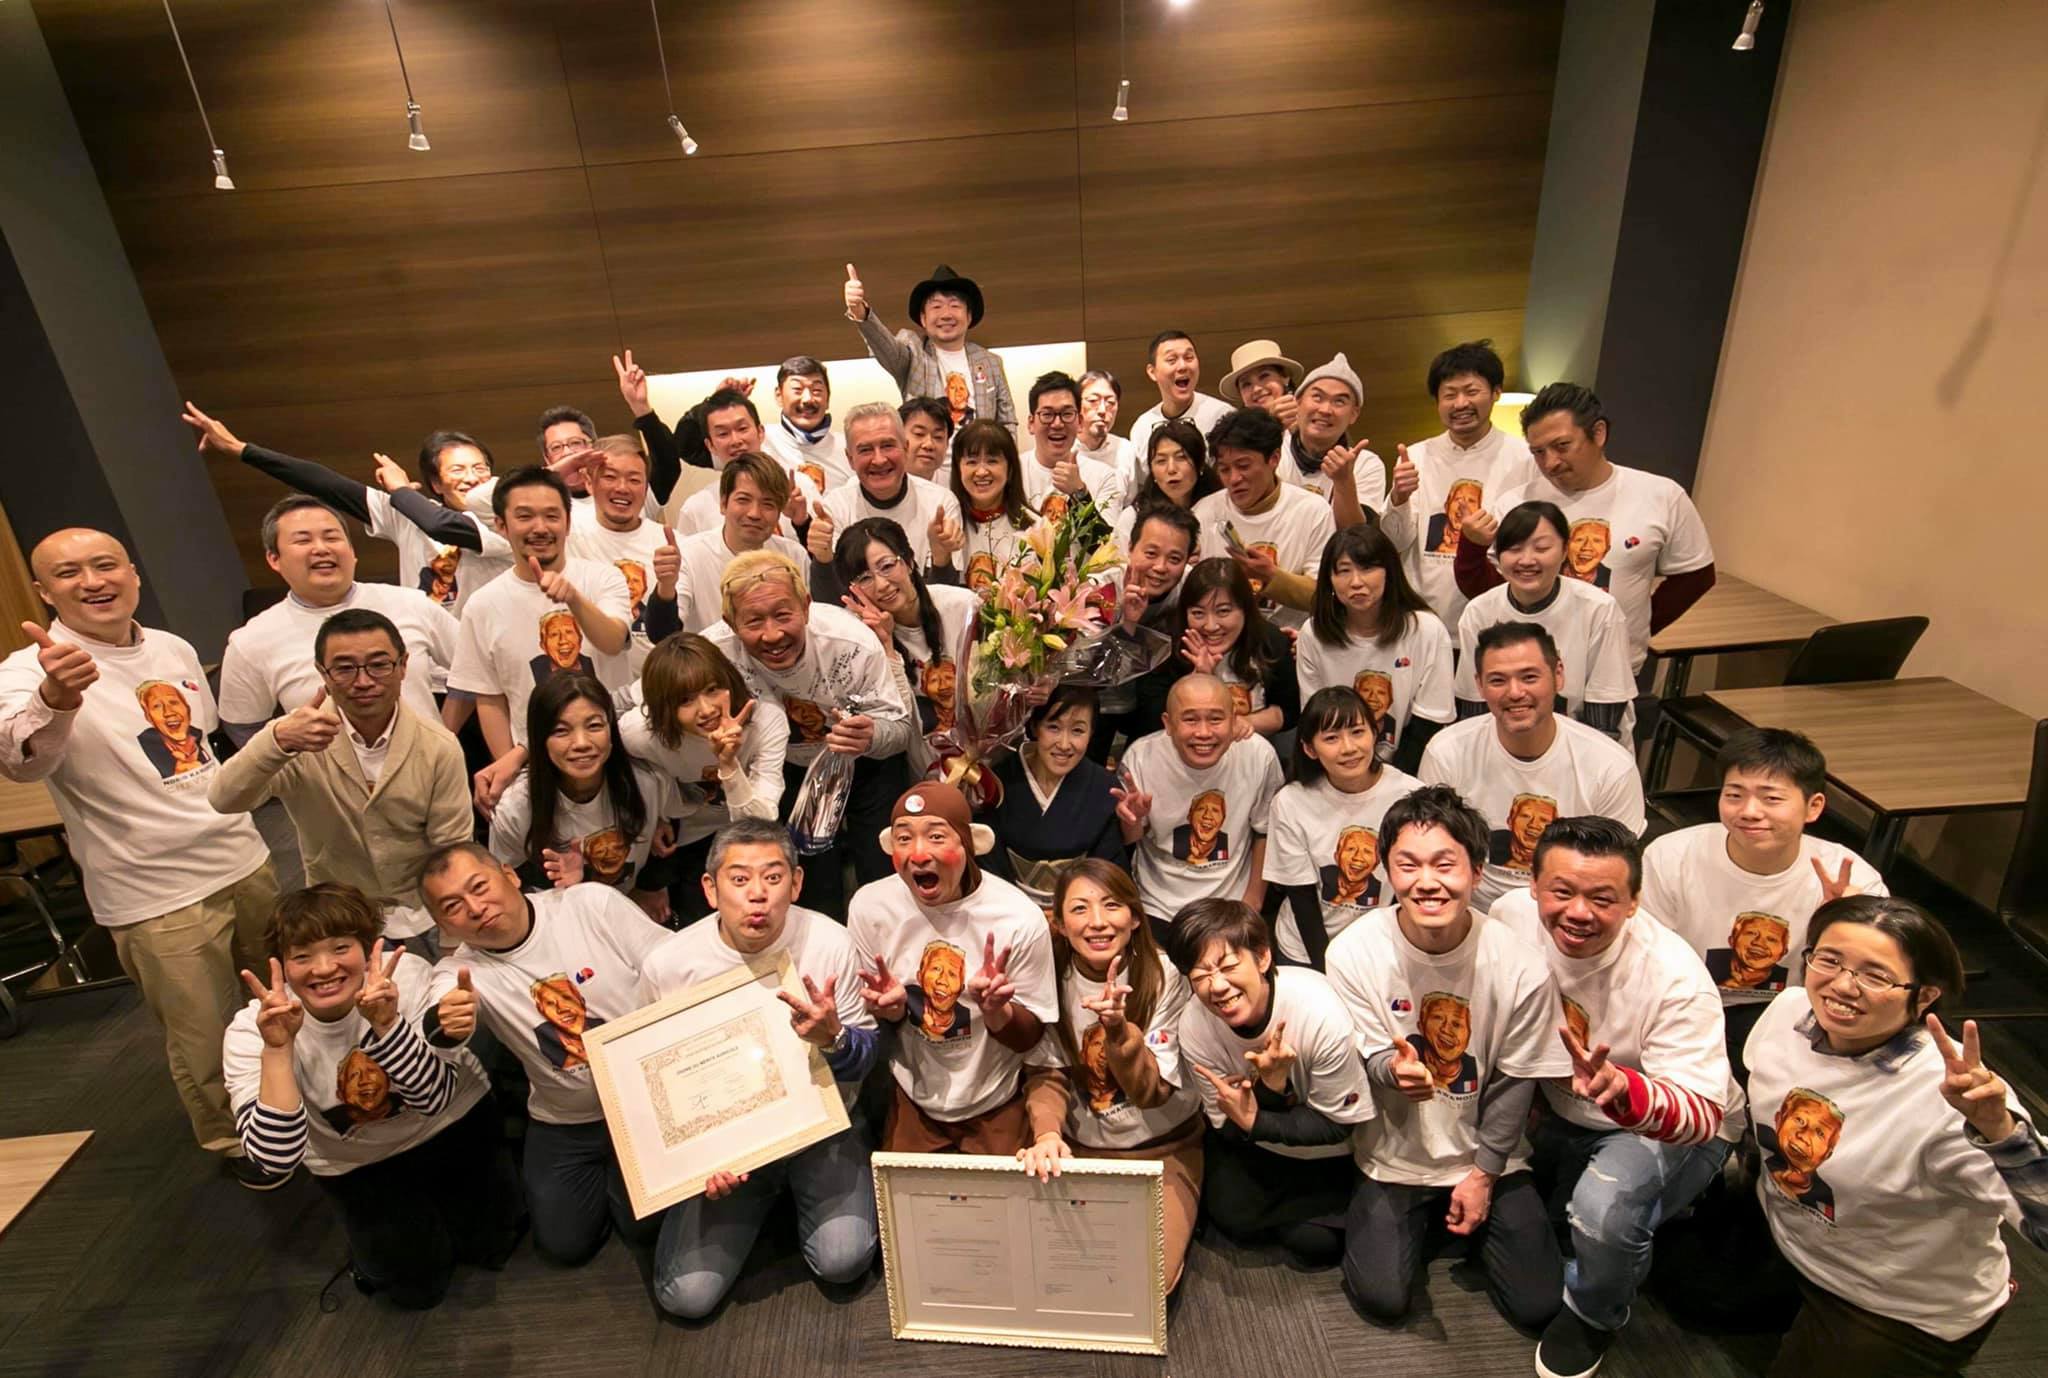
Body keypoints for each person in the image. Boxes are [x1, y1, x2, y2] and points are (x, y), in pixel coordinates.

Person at [0, 529, 278, 1185]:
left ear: (133, 574)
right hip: (154, 893)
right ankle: (237, 1145)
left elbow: (203, 749)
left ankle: (289, 1109)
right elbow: (19, 761)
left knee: (277, 1001)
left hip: (241, 857)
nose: (93, 581)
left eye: (105, 566)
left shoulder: (172, 647)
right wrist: (55, 699)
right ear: (44, 592)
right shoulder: (27, 670)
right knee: (202, 1035)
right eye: (69, 573)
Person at [1743, 895, 2047, 1377]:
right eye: (1830, 960)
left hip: (1897, 1304)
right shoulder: (1791, 1010)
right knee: (1691, 1294)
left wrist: (1999, 1131)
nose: (1843, 985)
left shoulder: (1952, 1097)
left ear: (1924, 997)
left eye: (1876, 975)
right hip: (1797, 1241)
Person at [1489, 818, 1742, 1378]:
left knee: (1601, 1218)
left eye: (1602, 899)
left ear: (1633, 902)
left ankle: (1595, 1314)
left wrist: (1629, 1093)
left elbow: (1703, 1114)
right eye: (1561, 891)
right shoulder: (1509, 917)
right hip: (1559, 1104)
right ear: (1532, 885)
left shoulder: (1674, 976)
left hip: (1654, 1122)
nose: (1578, 912)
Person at [1324, 786, 1570, 1331]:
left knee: (1538, 1304)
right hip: (1394, 1155)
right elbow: (1369, 1056)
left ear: (1477, 871)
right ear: (1387, 870)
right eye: (1408, 864)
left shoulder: (1520, 965)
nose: (1426, 882)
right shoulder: (1353, 951)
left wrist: (1483, 1176)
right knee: (1382, 1298)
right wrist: (1393, 1072)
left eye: (1444, 864)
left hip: (1490, 1157)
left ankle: (1462, 1211)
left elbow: (1514, 1083)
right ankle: (1425, 1220)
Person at [223, 884, 518, 1308]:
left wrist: (387, 1024)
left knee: (493, 1243)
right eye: (302, 956)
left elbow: (434, 1099)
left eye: (340, 948)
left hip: (451, 1122)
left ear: (367, 948)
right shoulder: (252, 1029)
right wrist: (277, 1050)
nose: (324, 968)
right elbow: (275, 1158)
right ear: (282, 966)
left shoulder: (406, 976)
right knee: (415, 1289)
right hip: (356, 1161)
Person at [639, 820, 879, 1319]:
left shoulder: (829, 941)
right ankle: (762, 1197)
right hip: (728, 1145)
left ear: (796, 883)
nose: (758, 895)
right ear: (710, 889)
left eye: (773, 878)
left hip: (821, 1128)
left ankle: (800, 1191)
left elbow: (866, 1057)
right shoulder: (669, 964)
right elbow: (651, 1083)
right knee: (686, 1298)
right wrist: (695, 1161)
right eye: (739, 879)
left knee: (844, 1261)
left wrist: (833, 1038)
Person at [420, 843, 668, 1265]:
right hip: (565, 1118)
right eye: (453, 907)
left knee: (643, 1228)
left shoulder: (589, 904)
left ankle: (625, 1173)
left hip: (646, 1100)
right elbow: (440, 1016)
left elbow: (671, 964)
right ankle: (617, 1170)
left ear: (510, 875)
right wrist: (447, 1022)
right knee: (563, 1245)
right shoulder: (459, 972)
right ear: (443, 924)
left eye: (479, 887)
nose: (475, 908)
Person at [209, 609, 472, 951]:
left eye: (379, 665)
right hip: (339, 915)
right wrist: (277, 740)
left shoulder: (438, 745)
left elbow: (452, 848)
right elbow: (224, 799)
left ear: (403, 666)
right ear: (323, 673)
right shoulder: (299, 740)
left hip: (425, 909)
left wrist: (454, 941)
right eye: (345, 668)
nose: (363, 682)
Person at [1643, 727, 1887, 1080]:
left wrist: (1844, 925)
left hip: (1799, 1019)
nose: (1749, 811)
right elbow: (1646, 957)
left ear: (1813, 807)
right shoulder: (1671, 856)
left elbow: (1871, 985)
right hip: (1686, 1005)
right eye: (1734, 795)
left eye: (1771, 799)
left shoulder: (1850, 877)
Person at [1016, 860, 1203, 1290]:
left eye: (1112, 905)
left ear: (1135, 917)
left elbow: (1152, 1092)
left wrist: (1118, 1032)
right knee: (1051, 1268)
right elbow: (1047, 1071)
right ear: (1059, 923)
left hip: (1163, 1145)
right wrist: (1047, 1134)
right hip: (1082, 1146)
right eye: (1079, 909)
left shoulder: (1166, 977)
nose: (1097, 922)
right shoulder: (1050, 978)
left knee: (1147, 1280)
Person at [848, 783, 1056, 1153]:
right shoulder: (870, 907)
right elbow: (874, 1029)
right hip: (913, 1097)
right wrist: (891, 1012)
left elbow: (1032, 1038)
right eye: (904, 839)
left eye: (936, 837)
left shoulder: (1017, 917)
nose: (919, 853)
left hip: (997, 1100)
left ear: (969, 845)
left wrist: (998, 1012)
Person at [703, 550, 914, 914]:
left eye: (783, 615)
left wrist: (871, 737)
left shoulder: (852, 642)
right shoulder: (711, 653)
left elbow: (901, 730)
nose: (772, 635)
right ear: (730, 622)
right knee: (809, 881)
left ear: (806, 605)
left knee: (882, 872)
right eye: (753, 621)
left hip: (865, 763)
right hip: (784, 766)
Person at [1168, 898, 1374, 1265]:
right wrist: (1270, 1089)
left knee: (1316, 1246)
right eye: (1200, 976)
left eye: (1229, 966)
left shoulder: (1319, 1011)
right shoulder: (1195, 1025)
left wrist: (1256, 1115)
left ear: (1263, 958)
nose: (1217, 986)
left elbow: (1338, 1126)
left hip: (1326, 1152)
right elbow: (1225, 1127)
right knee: (1231, 1216)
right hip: (1259, 1146)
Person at [1460, 384, 1715, 672]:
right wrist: (1472, 545)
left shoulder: (1661, 495)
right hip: (1529, 670)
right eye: (1538, 452)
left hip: (1613, 670)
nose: (1550, 463)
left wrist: (1632, 628)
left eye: (1562, 446)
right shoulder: (1516, 502)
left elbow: (1696, 576)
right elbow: (1488, 591)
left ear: (1599, 433)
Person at [186, 404, 515, 614]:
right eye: (457, 470)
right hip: (427, 668)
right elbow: (326, 483)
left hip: (484, 666)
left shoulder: (506, 521)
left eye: (481, 468)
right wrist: (242, 450)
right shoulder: (407, 513)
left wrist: (400, 490)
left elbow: (441, 526)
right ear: (436, 483)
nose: (472, 478)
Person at [1420, 622, 1644, 909]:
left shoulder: (1611, 767)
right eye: (1498, 680)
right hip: (1471, 912)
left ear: (1558, 675)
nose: (1515, 692)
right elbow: (1433, 853)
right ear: (1479, 685)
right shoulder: (1446, 753)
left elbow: (1614, 874)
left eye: (1529, 677)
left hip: (1569, 914)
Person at [214, 497, 457, 741]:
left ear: (352, 552)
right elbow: (243, 725)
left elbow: (474, 667)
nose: (321, 548)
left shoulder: (412, 603)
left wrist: (445, 732)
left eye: (331, 538)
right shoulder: (250, 640)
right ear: (274, 559)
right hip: (326, 766)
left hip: (429, 760)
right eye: (303, 540)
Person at [447, 467, 632, 773]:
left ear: (567, 523)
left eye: (551, 516)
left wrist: (574, 599)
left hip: (615, 752)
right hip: (536, 762)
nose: (540, 527)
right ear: (501, 525)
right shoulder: (481, 605)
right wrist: (510, 768)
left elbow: (613, 642)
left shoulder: (604, 578)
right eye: (525, 516)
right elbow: (489, 697)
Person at [619, 634, 788, 925]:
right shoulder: (639, 734)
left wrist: (729, 764)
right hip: (684, 838)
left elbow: (758, 826)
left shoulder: (766, 722)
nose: (707, 709)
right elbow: (622, 767)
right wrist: (654, 815)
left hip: (747, 833)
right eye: (685, 700)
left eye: (712, 690)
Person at [488, 674, 675, 921]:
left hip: (627, 908)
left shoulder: (647, 781)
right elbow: (508, 885)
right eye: (561, 731)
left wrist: (652, 886)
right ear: (540, 741)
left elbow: (670, 834)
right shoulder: (516, 807)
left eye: (594, 726)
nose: (581, 743)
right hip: (553, 918)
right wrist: (569, 891)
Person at [1380, 339, 1539, 629]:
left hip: (1496, 620)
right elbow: (1394, 543)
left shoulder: (1525, 458)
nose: (1461, 403)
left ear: (1496, 392)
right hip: (1422, 619)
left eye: (1472, 391)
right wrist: (1399, 497)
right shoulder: (1416, 456)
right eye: (1449, 394)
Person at [1263, 686, 1422, 969]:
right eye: (1331, 738)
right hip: (1306, 949)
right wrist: (1326, 970)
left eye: (1358, 732)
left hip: (1380, 948)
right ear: (1310, 749)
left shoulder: (1411, 795)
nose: (1348, 748)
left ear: (1375, 733)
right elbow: (1302, 898)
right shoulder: (1290, 802)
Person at [1455, 500, 1636, 743]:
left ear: (1564, 551)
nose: (1526, 560)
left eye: (1541, 549)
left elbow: (1604, 720)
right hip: (1505, 746)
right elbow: (1474, 711)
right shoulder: (1479, 612)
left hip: (1583, 746)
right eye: (1514, 549)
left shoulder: (1599, 609)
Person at [1115, 674, 1283, 925]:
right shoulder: (1141, 757)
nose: (1203, 733)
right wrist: (1132, 820)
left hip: (1231, 905)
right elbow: (1131, 838)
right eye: (1190, 720)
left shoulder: (1258, 755)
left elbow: (1265, 831)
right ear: (1168, 723)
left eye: (1215, 719)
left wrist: (1253, 901)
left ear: (1234, 719)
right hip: (1157, 906)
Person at [1296, 524, 1457, 774]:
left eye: (1367, 568)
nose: (1356, 582)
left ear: (1389, 572)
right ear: (1329, 579)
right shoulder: (1313, 633)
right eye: (1344, 571)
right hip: (1338, 768)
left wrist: (1386, 783)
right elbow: (1317, 721)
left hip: (1409, 769)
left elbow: (1430, 722)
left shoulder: (1426, 630)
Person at [831, 517, 980, 768]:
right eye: (865, 578)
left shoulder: (965, 607)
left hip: (989, 761)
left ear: (909, 561)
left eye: (887, 566)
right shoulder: (858, 640)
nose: (882, 584)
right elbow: (901, 728)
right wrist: (886, 645)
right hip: (924, 775)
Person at [1192, 406, 1339, 629]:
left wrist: (1272, 576)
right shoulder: (1204, 512)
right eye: (1224, 469)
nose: (1234, 479)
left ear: (1274, 459)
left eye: (1243, 466)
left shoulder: (1312, 511)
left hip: (1291, 639)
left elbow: (1325, 595)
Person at [988, 687, 1126, 914]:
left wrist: (1071, 914)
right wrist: (1023, 916)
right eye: (1053, 727)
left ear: (1092, 733)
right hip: (1011, 912)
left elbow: (1108, 869)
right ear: (1034, 726)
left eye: (1078, 730)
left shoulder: (1104, 787)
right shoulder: (999, 781)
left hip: (1081, 913)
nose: (1064, 744)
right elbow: (989, 861)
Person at [844, 262, 1017, 431]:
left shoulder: (991, 362)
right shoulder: (914, 351)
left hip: (978, 450)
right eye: (936, 306)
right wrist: (860, 312)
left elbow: (1007, 421)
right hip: (927, 449)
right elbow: (887, 349)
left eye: (955, 305)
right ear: (923, 319)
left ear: (969, 316)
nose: (946, 314)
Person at [806, 403, 965, 583]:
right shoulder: (835, 508)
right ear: (850, 459)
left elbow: (944, 596)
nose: (879, 460)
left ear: (905, 448)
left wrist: (941, 559)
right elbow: (831, 598)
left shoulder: (940, 503)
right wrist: (823, 559)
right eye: (865, 450)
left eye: (888, 446)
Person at [655, 452, 807, 635]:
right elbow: (662, 634)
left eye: (768, 504)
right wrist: (666, 587)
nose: (754, 513)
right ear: (723, 503)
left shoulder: (794, 555)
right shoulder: (690, 555)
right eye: (743, 500)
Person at [1089, 501, 1196, 760]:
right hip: (1100, 697)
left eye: (1174, 559)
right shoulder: (1102, 587)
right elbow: (1089, 668)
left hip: (1157, 700)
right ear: (1130, 548)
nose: (1160, 567)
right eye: (1151, 553)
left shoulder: (1192, 587)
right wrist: (1127, 622)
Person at [558, 437, 669, 664]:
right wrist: (556, 472)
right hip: (590, 679)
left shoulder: (670, 544)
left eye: (634, 480)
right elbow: (493, 503)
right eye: (610, 477)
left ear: (646, 487)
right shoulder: (567, 535)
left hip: (656, 679)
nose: (622, 488)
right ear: (589, 482)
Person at [1170, 558, 1298, 741]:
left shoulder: (1271, 642)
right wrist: (1200, 677)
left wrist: (1243, 724)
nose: (1211, 626)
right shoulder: (1172, 649)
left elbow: (1288, 712)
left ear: (1245, 608)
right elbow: (1160, 721)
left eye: (1223, 611)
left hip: (1254, 747)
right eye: (1198, 613)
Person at [669, 388, 819, 537]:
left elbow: (824, 549)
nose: (736, 441)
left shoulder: (802, 487)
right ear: (710, 446)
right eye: (723, 433)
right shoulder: (696, 509)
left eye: (742, 428)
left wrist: (802, 522)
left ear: (760, 432)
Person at [1281, 353, 1384, 526]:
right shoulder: (1275, 449)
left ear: (1354, 414)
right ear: (1298, 402)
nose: (1325, 410)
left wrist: (1344, 481)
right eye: (1317, 397)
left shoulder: (1366, 463)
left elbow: (1356, 535)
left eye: (1339, 402)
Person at [1017, 371, 1125, 525]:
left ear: (1079, 422)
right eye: (1047, 415)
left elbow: (1105, 539)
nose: (1057, 424)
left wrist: (1079, 492)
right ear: (1031, 423)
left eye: (1067, 414)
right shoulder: (1013, 472)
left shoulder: (1104, 477)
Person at [949, 418, 1036, 593]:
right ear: (958, 469)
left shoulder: (1035, 527)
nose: (981, 472)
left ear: (1010, 469)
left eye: (992, 461)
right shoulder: (948, 526)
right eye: (972, 462)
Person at [1126, 330, 1234, 462]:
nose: (1183, 366)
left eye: (1189, 358)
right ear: (1152, 372)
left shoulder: (1222, 416)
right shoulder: (1142, 427)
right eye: (1171, 360)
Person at [761, 355, 854, 494]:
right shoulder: (761, 440)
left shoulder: (848, 447)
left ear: (828, 399)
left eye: (816, 390)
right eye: (797, 389)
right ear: (779, 396)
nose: (808, 399)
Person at [1077, 369, 1135, 492]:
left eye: (1110, 402)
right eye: (1093, 400)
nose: (1102, 410)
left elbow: (1131, 500)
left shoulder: (1125, 449)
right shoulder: (1062, 449)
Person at [899, 396, 955, 485]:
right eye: (919, 434)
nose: (929, 445)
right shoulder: (881, 484)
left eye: (938, 437)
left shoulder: (955, 486)